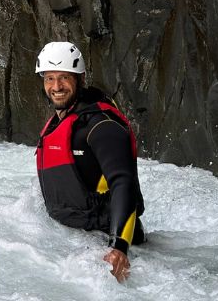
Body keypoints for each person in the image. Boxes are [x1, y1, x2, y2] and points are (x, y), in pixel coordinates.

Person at [34, 41, 145, 283]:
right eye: (49, 78)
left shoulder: (102, 126)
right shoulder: (60, 122)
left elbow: (123, 184)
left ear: (80, 78)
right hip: (75, 240)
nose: (56, 87)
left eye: (64, 78)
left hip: (109, 246)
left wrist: (119, 248)